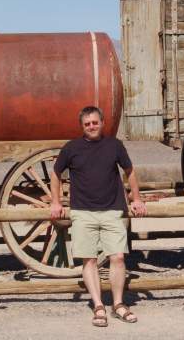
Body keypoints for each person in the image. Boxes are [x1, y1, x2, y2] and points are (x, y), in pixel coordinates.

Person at [50, 105, 147, 327]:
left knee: (118, 257)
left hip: (112, 209)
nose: (92, 126)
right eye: (87, 124)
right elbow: (56, 174)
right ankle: (98, 306)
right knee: (90, 260)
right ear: (82, 126)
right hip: (83, 212)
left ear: (102, 123)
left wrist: (137, 199)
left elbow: (129, 171)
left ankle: (118, 304)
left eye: (95, 122)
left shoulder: (115, 145)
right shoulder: (72, 148)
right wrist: (56, 202)